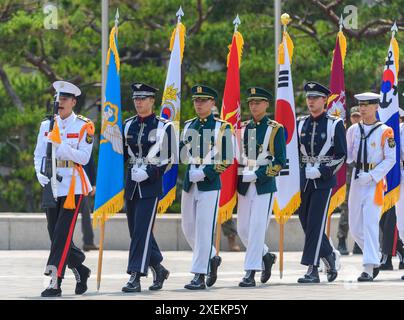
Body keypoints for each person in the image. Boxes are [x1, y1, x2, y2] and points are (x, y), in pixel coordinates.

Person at [34, 81, 93, 297]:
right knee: (55, 233)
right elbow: (39, 153)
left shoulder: (84, 125)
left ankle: (53, 282)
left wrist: (61, 145)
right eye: (58, 98)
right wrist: (39, 173)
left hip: (73, 186)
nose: (61, 102)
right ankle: (79, 266)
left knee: (61, 233)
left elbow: (84, 157)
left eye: (65, 99)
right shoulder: (47, 124)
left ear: (74, 102)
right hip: (52, 183)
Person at [121, 82, 175, 292]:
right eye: (136, 98)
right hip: (132, 183)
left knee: (141, 230)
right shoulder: (127, 124)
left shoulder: (164, 126)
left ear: (152, 101)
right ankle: (158, 268)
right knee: (136, 230)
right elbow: (122, 154)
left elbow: (169, 157)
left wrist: (149, 173)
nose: (138, 102)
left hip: (150, 185)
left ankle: (135, 275)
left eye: (143, 98)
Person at [180, 85, 233, 290]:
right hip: (190, 182)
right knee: (188, 229)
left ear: (212, 103)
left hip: (209, 184)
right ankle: (211, 257)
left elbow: (227, 158)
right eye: (196, 100)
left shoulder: (222, 127)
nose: (199, 104)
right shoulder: (188, 126)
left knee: (203, 230)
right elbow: (183, 153)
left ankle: (199, 274)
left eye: (203, 100)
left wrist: (207, 172)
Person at [296, 81, 347, 284]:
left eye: (315, 98)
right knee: (305, 222)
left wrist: (322, 171)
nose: (311, 101)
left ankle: (312, 268)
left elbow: (341, 155)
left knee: (316, 223)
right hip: (305, 180)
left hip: (323, 181)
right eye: (308, 97)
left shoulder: (335, 124)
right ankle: (330, 255)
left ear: (324, 100)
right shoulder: (301, 123)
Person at [236, 87, 286, 287]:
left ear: (266, 105)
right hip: (244, 185)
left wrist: (257, 174)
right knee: (243, 230)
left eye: (258, 102)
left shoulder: (275, 129)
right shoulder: (243, 128)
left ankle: (250, 271)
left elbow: (280, 161)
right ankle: (265, 255)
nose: (253, 106)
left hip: (264, 185)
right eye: (251, 103)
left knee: (257, 229)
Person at [347, 92, 396, 281]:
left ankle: (368, 268)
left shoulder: (385, 131)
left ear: (376, 107)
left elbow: (390, 159)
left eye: (368, 105)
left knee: (369, 223)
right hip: (357, 179)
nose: (363, 108)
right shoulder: (353, 130)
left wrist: (374, 175)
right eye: (361, 105)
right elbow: (350, 155)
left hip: (374, 182)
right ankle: (374, 258)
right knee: (355, 227)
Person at [337, 106, 361, 255]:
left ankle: (359, 243)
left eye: (358, 116)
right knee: (345, 208)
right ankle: (341, 240)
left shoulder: (366, 133)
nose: (356, 118)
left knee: (362, 209)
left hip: (361, 174)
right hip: (347, 176)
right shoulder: (347, 134)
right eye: (354, 116)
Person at [80, 152, 98, 251]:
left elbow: (90, 163)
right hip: (67, 183)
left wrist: (93, 183)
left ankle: (88, 242)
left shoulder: (85, 138)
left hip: (83, 185)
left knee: (86, 213)